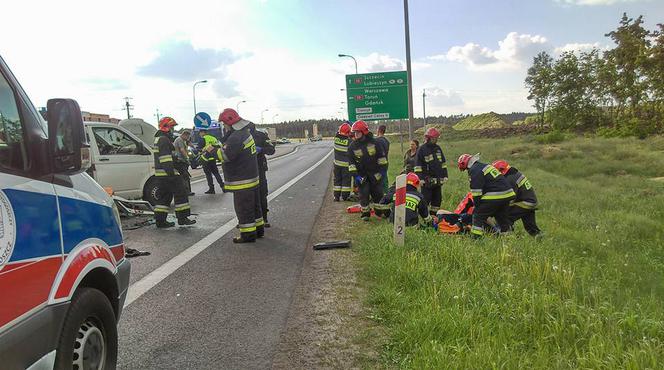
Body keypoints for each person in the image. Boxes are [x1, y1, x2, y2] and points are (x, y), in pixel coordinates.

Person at [212, 108, 264, 243]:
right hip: (252, 178)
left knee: (244, 209)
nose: (224, 127)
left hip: (242, 180)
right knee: (254, 207)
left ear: (229, 123)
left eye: (224, 124)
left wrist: (213, 151)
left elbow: (226, 156)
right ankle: (258, 230)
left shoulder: (236, 137)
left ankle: (247, 235)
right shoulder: (244, 133)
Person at [152, 117, 196, 228]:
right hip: (168, 173)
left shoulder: (159, 139)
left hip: (161, 175)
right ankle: (183, 218)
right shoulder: (164, 140)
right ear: (166, 127)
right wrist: (171, 173)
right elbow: (166, 159)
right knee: (181, 193)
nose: (173, 129)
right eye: (172, 127)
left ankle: (160, 221)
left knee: (164, 197)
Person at [457, 153, 515, 238]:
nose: (466, 171)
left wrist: (477, 206)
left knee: (477, 215)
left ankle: (476, 238)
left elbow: (476, 192)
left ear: (464, 164)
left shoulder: (474, 170)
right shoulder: (483, 166)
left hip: (496, 194)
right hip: (508, 194)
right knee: (501, 217)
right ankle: (507, 238)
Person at [347, 120, 389, 221]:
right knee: (364, 195)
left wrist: (381, 174)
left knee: (378, 194)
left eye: (358, 132)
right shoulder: (352, 147)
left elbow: (383, 160)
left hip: (375, 174)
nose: (355, 134)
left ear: (364, 132)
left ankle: (381, 212)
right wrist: (356, 176)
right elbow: (351, 164)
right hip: (362, 176)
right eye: (354, 132)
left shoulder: (375, 143)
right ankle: (365, 214)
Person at [492, 160, 541, 236]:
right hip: (530, 202)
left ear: (502, 170)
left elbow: (510, 197)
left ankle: (507, 236)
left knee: (506, 217)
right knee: (530, 226)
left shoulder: (510, 179)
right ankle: (539, 237)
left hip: (525, 203)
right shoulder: (514, 173)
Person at [414, 128, 448, 214]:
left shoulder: (438, 148)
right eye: (434, 139)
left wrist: (445, 175)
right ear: (428, 138)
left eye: (436, 138)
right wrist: (420, 179)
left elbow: (443, 163)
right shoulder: (422, 149)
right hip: (427, 181)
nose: (435, 140)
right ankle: (424, 216)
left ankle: (433, 216)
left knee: (437, 200)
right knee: (426, 199)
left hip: (438, 180)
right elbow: (418, 166)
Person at [249, 122, 276, 227]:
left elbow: (271, 149)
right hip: (245, 170)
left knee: (261, 194)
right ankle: (247, 220)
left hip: (259, 168)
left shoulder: (261, 136)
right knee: (247, 196)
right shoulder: (239, 137)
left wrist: (261, 150)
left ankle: (263, 218)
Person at [200, 127, 225, 194]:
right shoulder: (213, 138)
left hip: (205, 159)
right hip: (213, 159)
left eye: (200, 133)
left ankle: (211, 189)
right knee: (216, 173)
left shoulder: (203, 139)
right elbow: (219, 146)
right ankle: (223, 186)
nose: (200, 134)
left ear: (203, 132)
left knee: (208, 175)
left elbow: (199, 149)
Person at [333, 122, 352, 201]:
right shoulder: (349, 142)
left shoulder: (336, 139)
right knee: (346, 182)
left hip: (336, 164)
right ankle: (345, 196)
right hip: (345, 165)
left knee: (337, 180)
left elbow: (338, 134)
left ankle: (336, 197)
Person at [173, 130, 194, 196]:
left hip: (181, 161)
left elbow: (186, 148)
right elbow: (182, 150)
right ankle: (186, 191)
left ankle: (187, 191)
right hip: (180, 161)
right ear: (184, 135)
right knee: (185, 176)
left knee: (185, 176)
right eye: (187, 137)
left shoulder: (182, 140)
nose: (188, 138)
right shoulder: (180, 140)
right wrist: (187, 158)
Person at [375, 124, 390, 192]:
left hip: (378, 162)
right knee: (384, 177)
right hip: (385, 161)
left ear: (378, 130)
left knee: (378, 178)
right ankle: (385, 192)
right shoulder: (386, 141)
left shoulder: (377, 140)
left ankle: (379, 193)